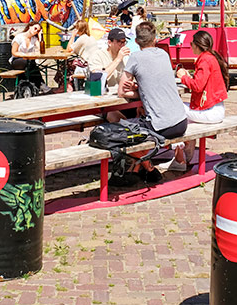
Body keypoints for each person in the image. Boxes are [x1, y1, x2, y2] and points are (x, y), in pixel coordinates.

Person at [115, 21, 189, 185]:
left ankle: (147, 167)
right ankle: (143, 167)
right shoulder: (163, 54)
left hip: (162, 125)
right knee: (136, 128)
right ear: (155, 39)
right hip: (181, 121)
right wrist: (141, 88)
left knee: (117, 129)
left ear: (136, 42)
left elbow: (121, 92)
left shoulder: (135, 57)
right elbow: (157, 82)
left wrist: (136, 90)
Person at [174, 30, 228, 171]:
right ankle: (186, 153)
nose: (190, 46)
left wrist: (183, 77)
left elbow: (197, 86)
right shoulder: (211, 57)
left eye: (192, 43)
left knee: (175, 109)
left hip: (210, 112)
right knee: (187, 120)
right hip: (215, 109)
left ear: (197, 45)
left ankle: (180, 154)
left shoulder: (204, 60)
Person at [86, 28, 131, 92]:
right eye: (119, 42)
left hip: (122, 93)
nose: (123, 45)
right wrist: (118, 59)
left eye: (124, 42)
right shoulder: (97, 56)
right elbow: (98, 78)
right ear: (109, 43)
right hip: (102, 93)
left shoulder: (126, 57)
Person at [10, 21, 47, 93]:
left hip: (28, 60)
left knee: (31, 63)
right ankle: (40, 84)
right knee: (31, 63)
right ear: (30, 27)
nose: (36, 31)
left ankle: (35, 86)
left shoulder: (34, 39)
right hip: (17, 60)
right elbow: (14, 52)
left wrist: (40, 36)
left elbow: (41, 49)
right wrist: (25, 55)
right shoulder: (19, 37)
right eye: (35, 28)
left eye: (38, 30)